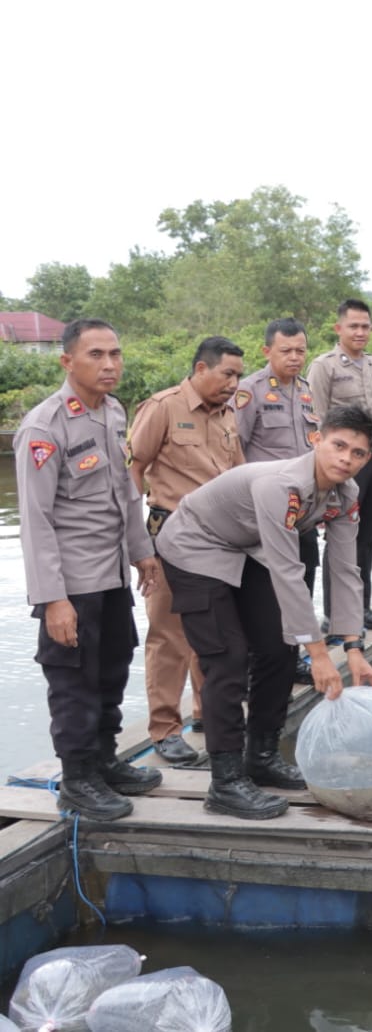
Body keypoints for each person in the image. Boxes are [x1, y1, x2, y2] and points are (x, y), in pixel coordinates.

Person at [153, 405, 372, 819]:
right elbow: (287, 572)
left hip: (245, 547)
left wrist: (353, 648)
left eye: (357, 453)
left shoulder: (345, 495)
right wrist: (318, 654)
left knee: (280, 648)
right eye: (338, 445)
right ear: (317, 439)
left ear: (367, 459)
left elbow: (345, 568)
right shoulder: (282, 486)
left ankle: (259, 757)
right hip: (194, 546)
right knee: (227, 659)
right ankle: (225, 783)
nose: (345, 459)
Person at [14, 319, 163, 821]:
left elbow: (126, 492)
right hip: (71, 584)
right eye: (96, 355)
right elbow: (35, 522)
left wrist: (143, 552)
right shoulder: (44, 427)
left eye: (115, 354)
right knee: (73, 683)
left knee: (112, 672)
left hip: (112, 576)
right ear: (67, 362)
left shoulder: (114, 413)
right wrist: (53, 598)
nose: (109, 365)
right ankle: (77, 780)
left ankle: (104, 762)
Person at [128, 337, 246, 764]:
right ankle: (164, 729)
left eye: (237, 376)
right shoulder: (162, 408)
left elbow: (240, 477)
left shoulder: (229, 415)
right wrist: (137, 542)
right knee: (168, 635)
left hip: (217, 543)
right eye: (226, 374)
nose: (233, 384)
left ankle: (207, 716)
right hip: (168, 536)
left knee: (211, 636)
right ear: (200, 368)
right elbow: (134, 468)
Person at [305, 299, 372, 630]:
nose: (361, 332)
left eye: (366, 327)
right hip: (344, 465)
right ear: (338, 329)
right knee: (341, 537)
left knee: (368, 538)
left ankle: (361, 608)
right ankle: (336, 614)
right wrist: (322, 476)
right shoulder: (324, 366)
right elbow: (315, 422)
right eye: (354, 326)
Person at [236, 318, 321, 681]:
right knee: (266, 595)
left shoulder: (307, 391)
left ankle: (296, 656)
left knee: (304, 580)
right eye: (286, 350)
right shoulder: (248, 392)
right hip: (266, 514)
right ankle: (260, 666)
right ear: (267, 351)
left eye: (300, 350)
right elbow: (233, 451)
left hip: (302, 511)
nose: (294, 357)